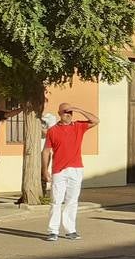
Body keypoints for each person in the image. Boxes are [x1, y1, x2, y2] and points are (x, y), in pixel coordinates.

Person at [42, 102, 99, 241]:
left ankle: (70, 230)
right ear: (59, 113)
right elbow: (46, 151)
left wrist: (79, 109)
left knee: (72, 200)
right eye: (65, 112)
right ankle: (53, 231)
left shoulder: (78, 126)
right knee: (56, 200)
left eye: (70, 112)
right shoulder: (53, 131)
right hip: (59, 170)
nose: (68, 115)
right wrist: (44, 170)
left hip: (76, 169)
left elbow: (96, 120)